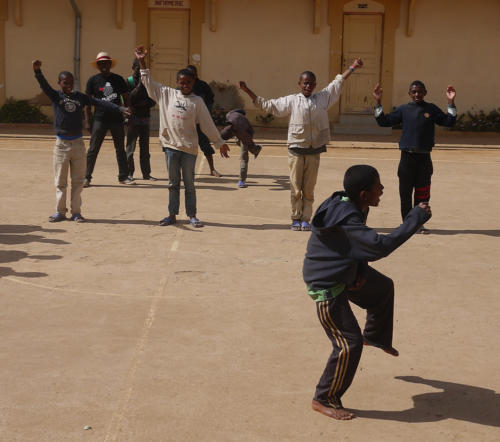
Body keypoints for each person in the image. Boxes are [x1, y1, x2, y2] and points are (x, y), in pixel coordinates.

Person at [302, 165, 432, 420]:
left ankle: (374, 336)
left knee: (382, 288)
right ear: (363, 194)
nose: (382, 190)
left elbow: (352, 246)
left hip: (344, 271)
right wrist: (414, 219)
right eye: (377, 187)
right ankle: (324, 398)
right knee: (348, 344)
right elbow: (377, 247)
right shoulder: (348, 215)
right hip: (327, 285)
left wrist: (360, 270)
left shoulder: (355, 205)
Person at [239, 58, 363, 231]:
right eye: (305, 83)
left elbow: (338, 82)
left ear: (315, 85)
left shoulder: (323, 98)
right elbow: (269, 105)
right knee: (296, 187)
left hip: (314, 149)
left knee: (309, 188)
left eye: (311, 83)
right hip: (296, 149)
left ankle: (306, 218)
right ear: (299, 84)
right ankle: (295, 217)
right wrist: (248, 91)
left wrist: (353, 67)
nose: (308, 86)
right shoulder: (292, 100)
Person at [135, 46, 230, 227]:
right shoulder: (166, 94)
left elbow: (208, 124)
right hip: (171, 147)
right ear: (177, 82)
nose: (184, 85)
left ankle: (192, 215)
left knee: (189, 184)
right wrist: (142, 61)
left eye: (188, 82)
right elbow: (148, 81)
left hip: (189, 149)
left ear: (193, 82)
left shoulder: (197, 102)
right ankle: (172, 214)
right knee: (173, 183)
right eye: (181, 82)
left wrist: (219, 143)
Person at [32, 60, 129, 222]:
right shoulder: (56, 96)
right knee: (60, 182)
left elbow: (100, 102)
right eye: (65, 83)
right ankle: (60, 212)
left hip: (77, 144)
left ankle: (76, 212)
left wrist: (120, 108)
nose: (68, 85)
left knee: (77, 181)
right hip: (61, 145)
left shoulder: (80, 97)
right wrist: (37, 72)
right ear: (59, 83)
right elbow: (44, 86)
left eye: (71, 82)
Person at [373, 81, 456, 233]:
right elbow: (383, 122)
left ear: (425, 92)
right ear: (409, 94)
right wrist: (378, 102)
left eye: (420, 91)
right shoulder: (404, 109)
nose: (417, 94)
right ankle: (407, 224)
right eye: (414, 92)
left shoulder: (431, 109)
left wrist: (451, 102)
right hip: (407, 158)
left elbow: (449, 122)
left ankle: (418, 224)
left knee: (422, 194)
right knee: (405, 193)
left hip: (424, 159)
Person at [84, 51, 134, 187]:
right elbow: (87, 103)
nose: (104, 65)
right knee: (93, 148)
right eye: (101, 63)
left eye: (106, 63)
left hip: (116, 119)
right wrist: (88, 120)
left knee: (120, 149)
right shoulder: (92, 81)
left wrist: (128, 112)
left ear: (110, 64)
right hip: (100, 119)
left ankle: (123, 176)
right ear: (98, 66)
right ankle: (86, 177)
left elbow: (126, 97)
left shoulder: (118, 79)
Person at [186, 64, 222, 178]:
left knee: (205, 145)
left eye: (193, 74)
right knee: (188, 148)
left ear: (196, 75)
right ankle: (187, 171)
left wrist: (206, 112)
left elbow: (210, 99)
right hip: (187, 123)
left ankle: (212, 169)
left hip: (200, 122)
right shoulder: (183, 87)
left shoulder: (203, 86)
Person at [125, 59, 157, 181]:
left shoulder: (148, 82)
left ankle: (146, 173)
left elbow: (153, 100)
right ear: (133, 68)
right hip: (133, 119)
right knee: (130, 148)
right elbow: (128, 100)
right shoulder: (129, 81)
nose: (139, 71)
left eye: (141, 69)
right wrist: (139, 88)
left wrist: (144, 102)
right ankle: (129, 172)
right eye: (137, 68)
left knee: (145, 148)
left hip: (145, 118)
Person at [220, 109, 262, 188]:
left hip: (247, 132)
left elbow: (247, 140)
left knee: (244, 157)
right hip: (238, 127)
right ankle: (256, 149)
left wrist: (251, 145)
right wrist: (221, 144)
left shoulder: (243, 134)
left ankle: (242, 180)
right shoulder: (229, 115)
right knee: (238, 142)